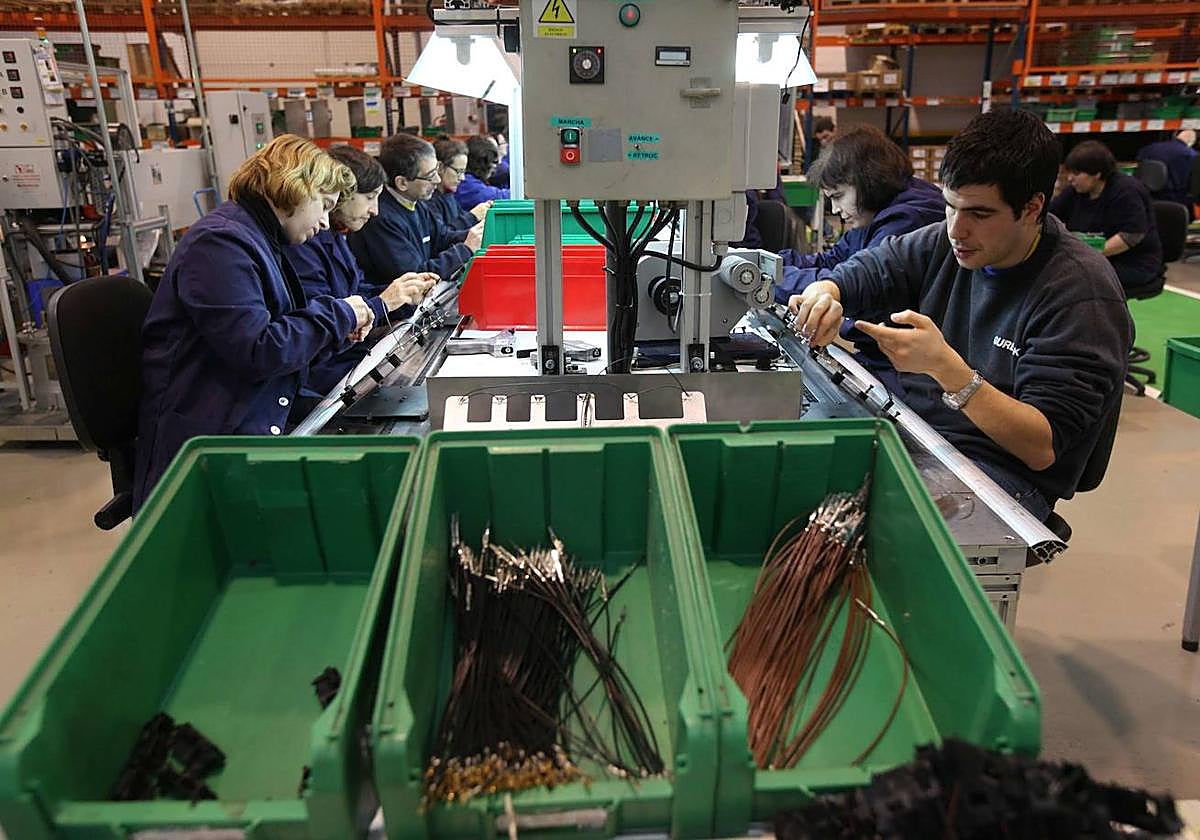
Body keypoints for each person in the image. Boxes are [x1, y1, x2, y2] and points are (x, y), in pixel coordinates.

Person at [789, 110, 1132, 522]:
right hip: (919, 431)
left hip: (1001, 474)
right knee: (790, 473)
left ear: (1032, 208)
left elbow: (1041, 447)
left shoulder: (1080, 294)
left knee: (858, 525)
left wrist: (946, 368)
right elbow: (874, 269)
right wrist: (827, 292)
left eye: (979, 214)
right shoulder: (945, 243)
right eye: (950, 206)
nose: (957, 229)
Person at [133, 135, 373, 509]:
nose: (326, 222)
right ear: (296, 187)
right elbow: (258, 350)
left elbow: (281, 327)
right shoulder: (220, 244)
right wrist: (339, 314)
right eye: (324, 206)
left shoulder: (258, 238)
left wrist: (339, 328)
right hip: (216, 434)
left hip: (253, 406)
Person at [289, 144, 437, 396]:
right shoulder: (304, 247)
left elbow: (355, 291)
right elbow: (323, 330)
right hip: (324, 380)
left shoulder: (336, 238)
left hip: (346, 365)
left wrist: (403, 295)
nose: (375, 210)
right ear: (342, 194)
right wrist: (381, 304)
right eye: (369, 197)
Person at [774, 125, 945, 303]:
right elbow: (833, 261)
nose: (835, 210)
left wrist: (766, 280)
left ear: (869, 181)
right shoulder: (871, 213)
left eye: (838, 196)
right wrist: (772, 263)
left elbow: (855, 285)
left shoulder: (907, 220)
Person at [349, 133, 484, 294]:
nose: (437, 180)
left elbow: (441, 238)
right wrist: (465, 250)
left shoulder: (416, 203)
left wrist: (476, 234)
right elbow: (416, 275)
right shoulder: (382, 219)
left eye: (436, 171)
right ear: (402, 183)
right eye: (429, 176)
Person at [1050, 140, 1163, 294]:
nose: (1070, 178)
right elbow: (1049, 215)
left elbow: (1131, 235)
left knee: (1072, 278)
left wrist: (1088, 256)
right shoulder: (1076, 191)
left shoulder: (1127, 191)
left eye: (1076, 174)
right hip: (1093, 258)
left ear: (1097, 174)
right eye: (1069, 172)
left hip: (1133, 263)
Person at [431, 138, 491, 234]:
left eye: (463, 172)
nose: (462, 178)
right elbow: (442, 237)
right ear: (440, 167)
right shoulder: (429, 202)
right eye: (459, 172)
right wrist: (472, 216)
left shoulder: (448, 195)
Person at [1136, 129, 1197, 214]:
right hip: (1177, 204)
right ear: (1191, 142)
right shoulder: (1191, 155)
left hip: (1146, 202)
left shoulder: (1148, 148)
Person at [454, 135, 511, 212]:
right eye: (492, 162)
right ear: (482, 164)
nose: (495, 167)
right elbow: (499, 196)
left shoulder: (470, 180)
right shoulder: (467, 184)